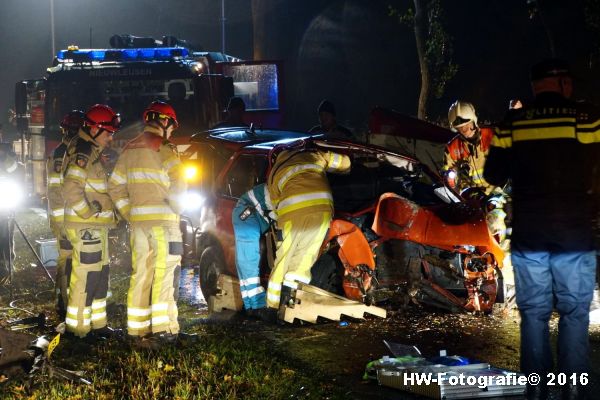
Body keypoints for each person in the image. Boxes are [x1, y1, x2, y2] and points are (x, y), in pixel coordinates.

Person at [484, 58, 600, 400]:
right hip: (573, 236)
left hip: (529, 235)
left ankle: (538, 393)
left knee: (533, 316)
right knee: (574, 314)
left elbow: (492, 176)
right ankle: (571, 394)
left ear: (534, 87)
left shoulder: (513, 124)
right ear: (563, 83)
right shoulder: (586, 118)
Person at [108, 100, 187, 348]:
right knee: (165, 274)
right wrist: (177, 208)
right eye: (171, 126)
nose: (171, 131)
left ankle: (136, 330)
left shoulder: (129, 148)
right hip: (164, 223)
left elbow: (114, 186)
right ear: (164, 122)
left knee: (141, 274)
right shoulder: (163, 147)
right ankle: (165, 330)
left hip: (138, 224)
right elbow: (179, 181)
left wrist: (129, 212)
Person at [266, 142, 350, 317]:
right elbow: (345, 163)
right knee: (304, 258)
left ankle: (273, 308)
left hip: (291, 215)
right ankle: (291, 307)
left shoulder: (275, 171)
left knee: (284, 259)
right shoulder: (315, 155)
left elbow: (275, 206)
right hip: (322, 210)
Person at [62, 104, 120, 340]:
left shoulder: (93, 151)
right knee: (86, 278)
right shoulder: (83, 153)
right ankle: (78, 330)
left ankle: (98, 325)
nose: (111, 138)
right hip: (86, 226)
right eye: (108, 133)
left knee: (99, 275)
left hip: (98, 228)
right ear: (95, 129)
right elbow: (70, 188)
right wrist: (89, 212)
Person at [47, 110, 84, 319]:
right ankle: (63, 302)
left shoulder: (73, 152)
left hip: (73, 218)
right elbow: (55, 191)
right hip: (64, 220)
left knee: (76, 260)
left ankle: (74, 300)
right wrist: (61, 224)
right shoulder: (62, 154)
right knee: (67, 260)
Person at [232, 183, 275, 319]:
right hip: (247, 212)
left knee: (245, 262)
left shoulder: (288, 184)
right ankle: (257, 306)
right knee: (248, 260)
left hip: (250, 213)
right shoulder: (289, 190)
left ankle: (250, 306)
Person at [444, 100, 494, 193]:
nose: (464, 130)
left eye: (467, 125)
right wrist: (456, 175)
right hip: (469, 199)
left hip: (496, 195)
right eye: (460, 127)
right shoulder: (451, 148)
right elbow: (448, 179)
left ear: (474, 121)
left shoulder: (492, 136)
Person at [0, 144, 21, 285]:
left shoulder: (6, 156)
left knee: (7, 234)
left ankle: (8, 264)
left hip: (4, 202)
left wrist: (3, 156)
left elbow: (15, 168)